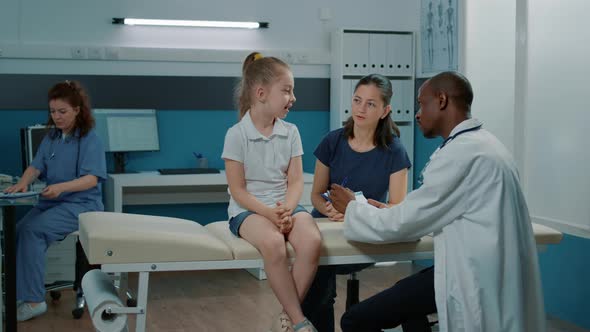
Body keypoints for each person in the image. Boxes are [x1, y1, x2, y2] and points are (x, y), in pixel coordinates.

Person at [329, 71, 545, 332]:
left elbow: (404, 223)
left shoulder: (460, 155)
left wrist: (352, 207)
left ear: (441, 100)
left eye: (422, 103)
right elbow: (448, 210)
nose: (418, 113)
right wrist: (378, 209)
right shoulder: (487, 145)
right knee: (405, 300)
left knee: (355, 319)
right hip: (490, 272)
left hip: (472, 277)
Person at [301, 74, 411, 332]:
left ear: (385, 111)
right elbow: (316, 194)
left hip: (364, 230)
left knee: (319, 272)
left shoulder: (395, 150)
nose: (361, 109)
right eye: (357, 100)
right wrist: (328, 210)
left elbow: (397, 205)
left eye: (371, 104)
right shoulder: (332, 141)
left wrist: (356, 212)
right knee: (316, 273)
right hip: (326, 225)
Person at [222, 52, 322, 332]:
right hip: (248, 210)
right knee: (274, 244)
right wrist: (269, 213)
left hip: (285, 206)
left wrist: (288, 209)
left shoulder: (291, 132)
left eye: (293, 91)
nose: (293, 98)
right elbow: (238, 191)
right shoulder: (237, 135)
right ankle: (299, 321)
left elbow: (296, 182)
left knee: (312, 241)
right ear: (261, 93)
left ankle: (285, 316)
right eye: (287, 91)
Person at [4, 80, 107, 321]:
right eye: (53, 112)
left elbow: (92, 179)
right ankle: (22, 293)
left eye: (62, 112)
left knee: (31, 231)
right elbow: (36, 166)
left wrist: (60, 187)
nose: (57, 117)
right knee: (17, 230)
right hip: (54, 203)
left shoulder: (90, 139)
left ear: (77, 110)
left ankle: (34, 301)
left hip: (82, 205)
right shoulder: (51, 136)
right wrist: (23, 183)